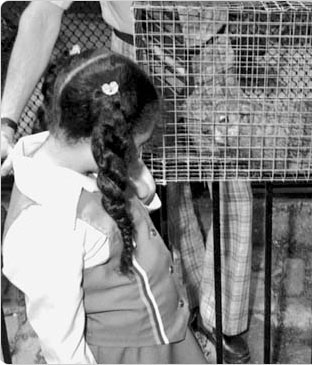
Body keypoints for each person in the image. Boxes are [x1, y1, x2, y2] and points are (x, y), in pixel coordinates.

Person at [0, 2, 252, 362]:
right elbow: (62, 343)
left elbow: (136, 183)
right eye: (136, 150)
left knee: (232, 187)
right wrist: (5, 120)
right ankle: (189, 302)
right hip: (133, 51)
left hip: (207, 45)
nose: (139, 163)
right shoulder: (50, 226)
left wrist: (138, 184)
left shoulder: (77, 154)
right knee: (173, 194)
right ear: (106, 139)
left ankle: (218, 320)